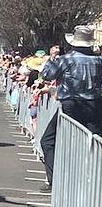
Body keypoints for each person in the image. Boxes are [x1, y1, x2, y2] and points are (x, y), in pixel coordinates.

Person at [39, 26, 102, 190]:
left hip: (71, 107)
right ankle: (91, 183)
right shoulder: (98, 61)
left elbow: (46, 75)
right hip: (95, 106)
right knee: (94, 145)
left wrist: (51, 59)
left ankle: (56, 180)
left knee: (48, 141)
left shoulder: (66, 60)